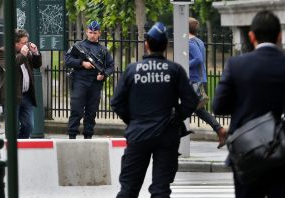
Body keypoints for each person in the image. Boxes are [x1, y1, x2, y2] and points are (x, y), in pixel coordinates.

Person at [111, 22, 198, 198]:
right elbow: (191, 101)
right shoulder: (175, 70)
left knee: (128, 189)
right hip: (167, 135)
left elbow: (117, 102)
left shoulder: (132, 70)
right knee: (161, 190)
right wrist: (176, 118)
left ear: (146, 45)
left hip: (138, 134)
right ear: (166, 46)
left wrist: (134, 120)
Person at [213, 10, 285, 198]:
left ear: (252, 36)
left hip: (247, 150)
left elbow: (219, 106)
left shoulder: (237, 65)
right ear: (279, 35)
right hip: (281, 149)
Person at [65, 20, 114, 139]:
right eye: (90, 32)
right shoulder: (79, 46)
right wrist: (82, 63)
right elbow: (67, 60)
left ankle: (88, 137)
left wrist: (104, 75)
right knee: (76, 109)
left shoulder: (103, 50)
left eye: (95, 32)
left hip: (95, 83)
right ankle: (72, 136)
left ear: (99, 33)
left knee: (91, 112)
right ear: (86, 32)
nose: (92, 35)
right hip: (79, 81)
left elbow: (111, 66)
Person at [188, 17, 227, 149]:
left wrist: (184, 65)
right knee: (199, 111)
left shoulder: (190, 43)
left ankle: (173, 140)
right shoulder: (199, 42)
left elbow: (198, 59)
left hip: (194, 81)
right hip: (201, 79)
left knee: (181, 109)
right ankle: (220, 130)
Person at [0, 28, 42, 139]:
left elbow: (36, 65)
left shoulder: (26, 52)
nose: (26, 45)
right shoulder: (2, 52)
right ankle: (12, 150)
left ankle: (21, 147)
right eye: (23, 43)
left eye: (27, 42)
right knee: (12, 127)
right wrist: (22, 55)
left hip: (26, 95)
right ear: (15, 43)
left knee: (29, 126)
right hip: (11, 96)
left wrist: (35, 52)